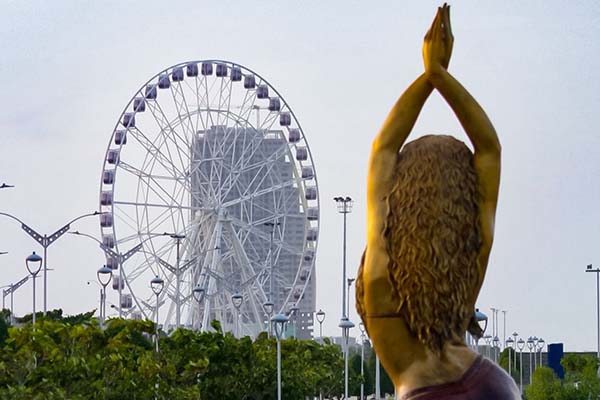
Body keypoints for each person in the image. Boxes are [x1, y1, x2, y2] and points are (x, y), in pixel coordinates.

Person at [355, 4, 519, 399]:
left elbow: (383, 149)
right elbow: (489, 149)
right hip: (491, 387)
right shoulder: (467, 265)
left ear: (402, 197)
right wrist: (440, 75)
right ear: (460, 201)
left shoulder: (383, 286)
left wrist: (427, 76)